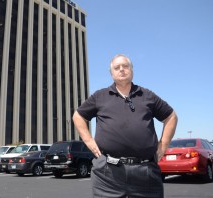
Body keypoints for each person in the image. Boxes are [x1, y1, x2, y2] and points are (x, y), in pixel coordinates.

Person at [73, 54, 178, 198]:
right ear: (111, 73)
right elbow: (78, 116)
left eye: (125, 66)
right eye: (117, 67)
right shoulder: (100, 96)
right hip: (107, 173)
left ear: (132, 70)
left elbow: (171, 116)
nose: (121, 69)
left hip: (145, 172)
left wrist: (164, 144)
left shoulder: (147, 95)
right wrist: (88, 141)